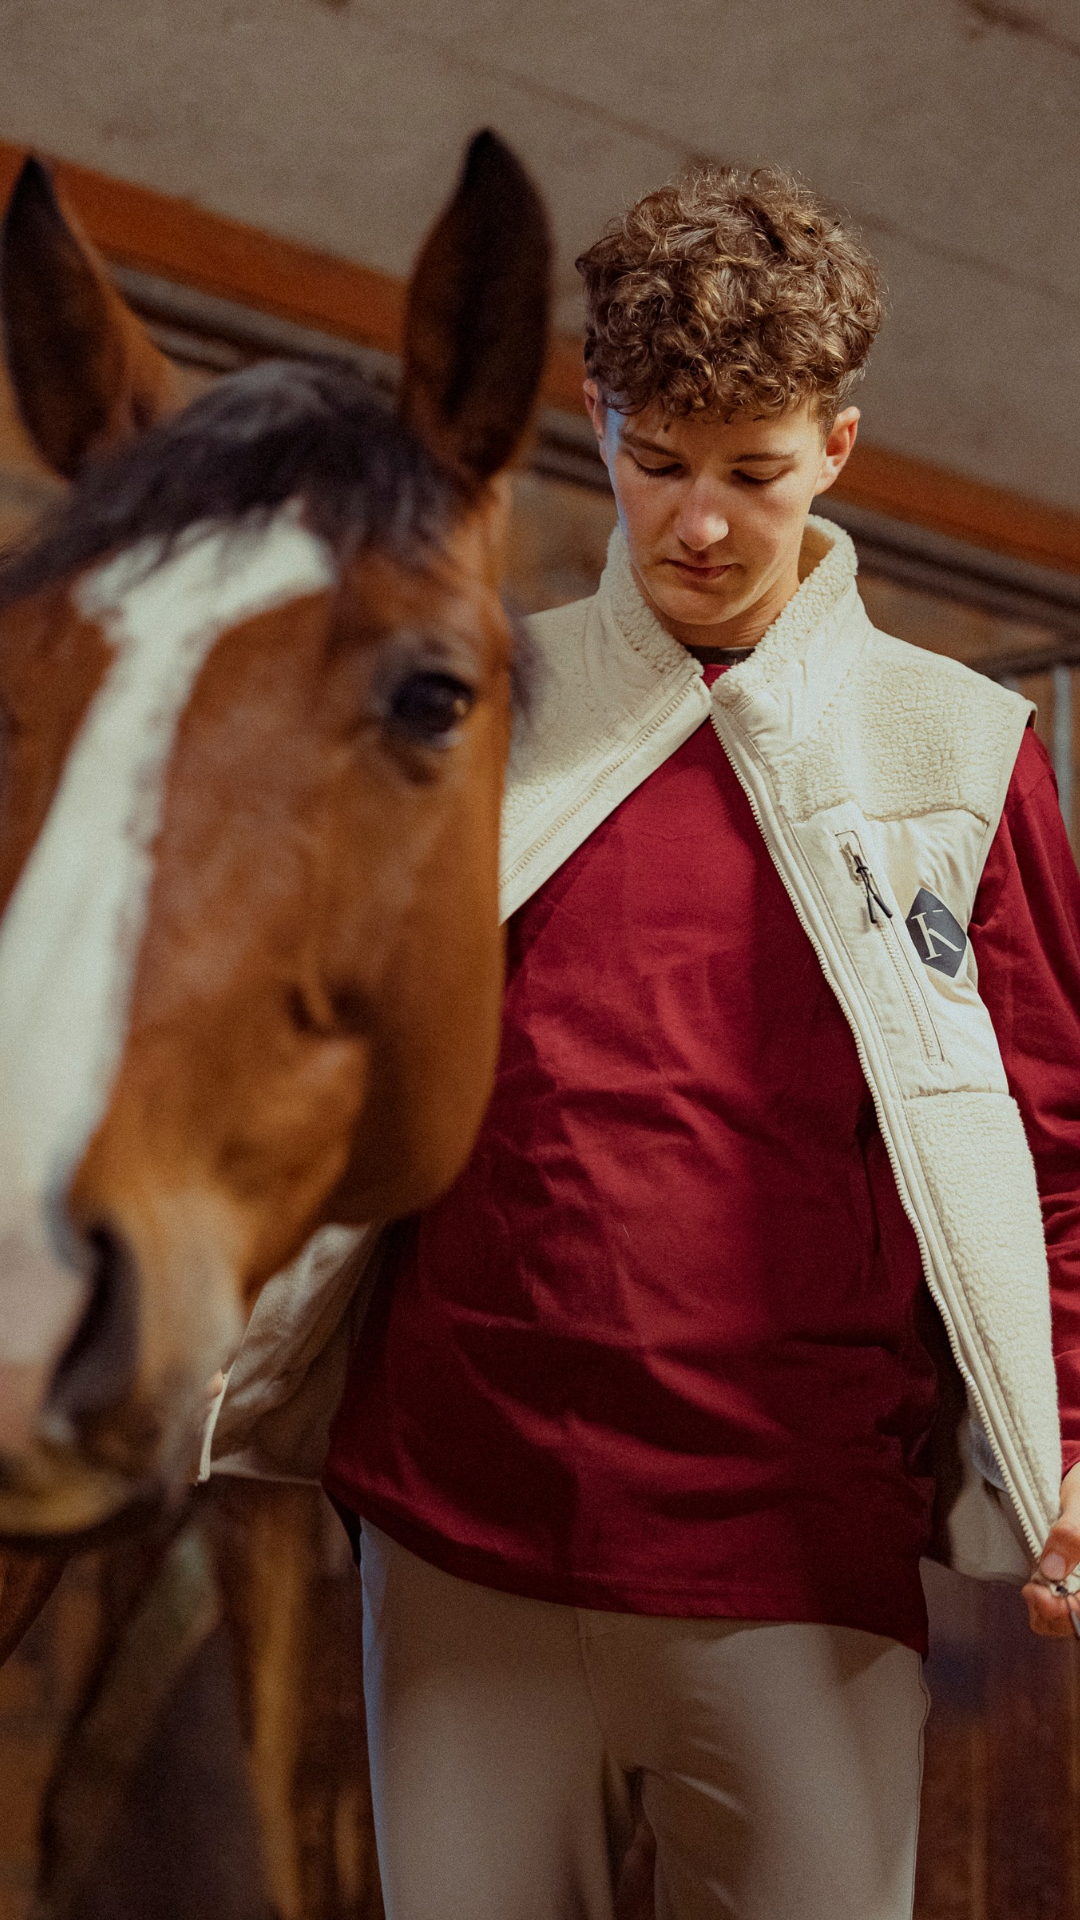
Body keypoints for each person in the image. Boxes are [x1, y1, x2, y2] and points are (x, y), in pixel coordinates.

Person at [321, 165, 1080, 1920]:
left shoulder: (960, 752)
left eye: (752, 470)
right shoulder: (475, 710)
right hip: (462, 1536)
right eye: (657, 461)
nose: (703, 525)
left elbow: (1057, 1137)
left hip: (803, 1552)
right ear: (599, 426)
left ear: (838, 446)